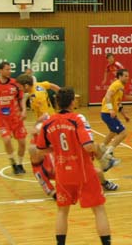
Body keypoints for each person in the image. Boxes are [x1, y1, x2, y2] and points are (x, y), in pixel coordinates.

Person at [36, 88, 113, 245]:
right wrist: (99, 152)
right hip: (83, 172)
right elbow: (88, 146)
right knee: (99, 209)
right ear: (72, 102)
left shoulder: (47, 123)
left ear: (57, 103)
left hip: (63, 173)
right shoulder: (77, 119)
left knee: (62, 211)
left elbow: (40, 150)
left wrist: (56, 149)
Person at [0, 61, 27, 174]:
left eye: (10, 69)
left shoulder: (15, 84)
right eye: (7, 69)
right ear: (0, 71)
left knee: (22, 142)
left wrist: (24, 110)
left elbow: (21, 99)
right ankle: (13, 162)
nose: (10, 71)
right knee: (7, 140)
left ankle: (20, 163)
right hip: (2, 119)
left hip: (16, 117)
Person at [100, 68, 132, 161]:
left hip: (108, 113)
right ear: (120, 76)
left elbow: (119, 102)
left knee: (113, 132)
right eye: (125, 76)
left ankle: (102, 148)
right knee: (123, 133)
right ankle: (109, 153)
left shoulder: (121, 86)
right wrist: (110, 109)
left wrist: (124, 115)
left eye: (128, 76)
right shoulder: (116, 84)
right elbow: (108, 96)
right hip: (107, 112)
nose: (127, 78)